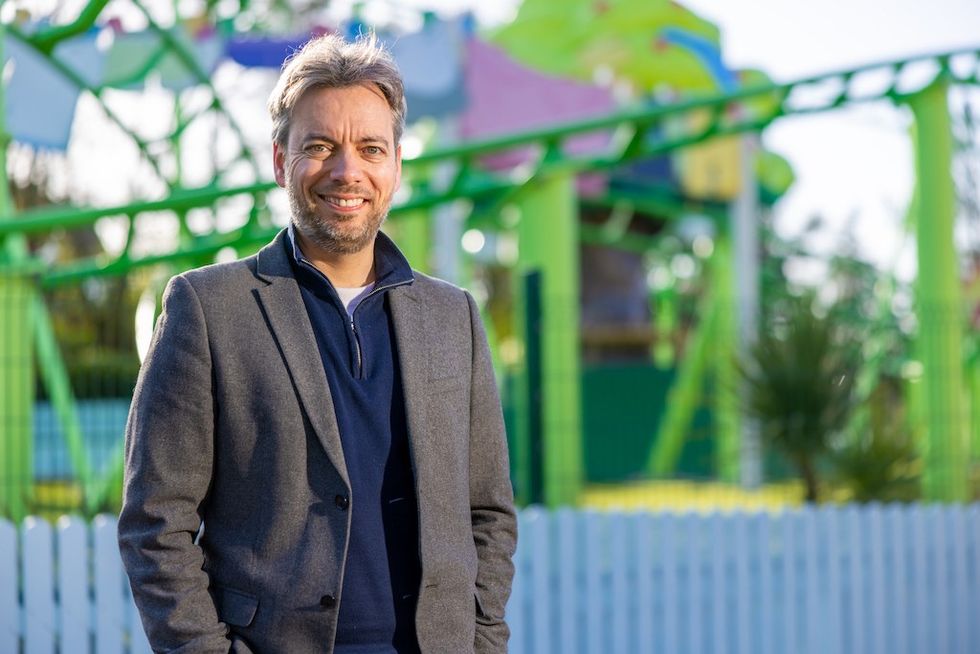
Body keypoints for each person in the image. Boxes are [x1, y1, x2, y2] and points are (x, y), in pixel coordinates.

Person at [118, 33, 517, 654]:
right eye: (320, 146)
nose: (346, 170)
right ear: (281, 161)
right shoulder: (208, 309)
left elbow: (488, 515)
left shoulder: (454, 317)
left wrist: (484, 642)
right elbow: (155, 524)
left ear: (395, 165)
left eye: (369, 148)